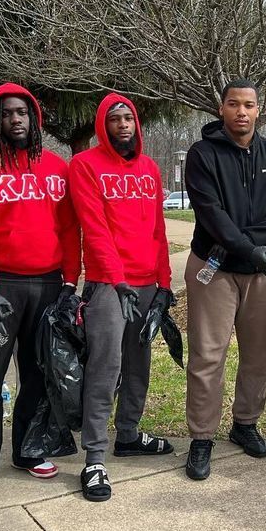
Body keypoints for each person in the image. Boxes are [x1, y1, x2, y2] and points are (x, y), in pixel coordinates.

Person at [0, 83, 80, 499]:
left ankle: (29, 449)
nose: (16, 119)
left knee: (39, 372)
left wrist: (69, 282)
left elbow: (68, 229)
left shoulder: (57, 168)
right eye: (7, 113)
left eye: (23, 112)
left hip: (47, 285)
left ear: (34, 118)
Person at [182, 78, 266, 480]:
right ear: (221, 108)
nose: (242, 112)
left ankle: (245, 423)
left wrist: (254, 246)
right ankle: (201, 437)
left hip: (263, 271)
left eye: (249, 104)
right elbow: (210, 213)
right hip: (213, 267)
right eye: (234, 104)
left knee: (259, 354)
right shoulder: (202, 155)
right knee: (207, 356)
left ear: (258, 109)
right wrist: (247, 247)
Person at [68, 94, 176, 501]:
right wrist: (116, 278)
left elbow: (158, 231)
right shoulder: (85, 165)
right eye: (114, 119)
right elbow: (93, 229)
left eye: (128, 117)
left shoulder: (150, 168)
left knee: (138, 363)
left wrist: (164, 284)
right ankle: (94, 456)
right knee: (106, 366)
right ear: (102, 126)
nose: (123, 124)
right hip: (109, 285)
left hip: (148, 283)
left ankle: (128, 434)